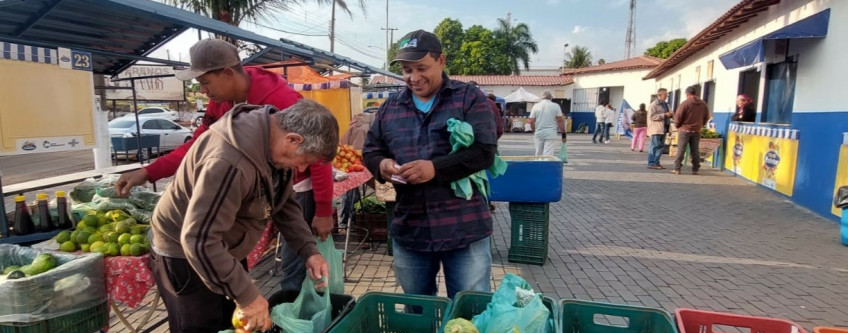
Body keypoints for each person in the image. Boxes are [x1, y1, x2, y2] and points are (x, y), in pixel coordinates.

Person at [149, 100, 339, 333]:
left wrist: (308, 250)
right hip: (186, 256)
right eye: (305, 161)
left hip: (220, 247)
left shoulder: (273, 147)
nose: (302, 168)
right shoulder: (230, 160)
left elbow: (284, 204)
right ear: (293, 139)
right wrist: (248, 296)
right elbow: (199, 240)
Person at [112, 38, 334, 290]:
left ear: (228, 74)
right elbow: (197, 145)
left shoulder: (282, 103)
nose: (203, 91)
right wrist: (150, 171)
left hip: (253, 215)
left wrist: (323, 210)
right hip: (191, 242)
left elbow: (316, 157)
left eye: (205, 82)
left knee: (265, 277)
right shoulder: (224, 125)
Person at [362, 29, 497, 299]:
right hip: (411, 227)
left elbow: (484, 151)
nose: (414, 77)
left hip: (463, 226)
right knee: (417, 309)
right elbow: (371, 150)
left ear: (441, 61)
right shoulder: (390, 108)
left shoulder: (468, 98)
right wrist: (383, 165)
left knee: (470, 309)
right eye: (407, 70)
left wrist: (435, 169)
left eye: (421, 68)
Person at [672, 85, 712, 175]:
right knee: (695, 150)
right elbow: (707, 116)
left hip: (684, 129)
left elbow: (678, 116)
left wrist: (677, 125)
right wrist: (701, 124)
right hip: (696, 130)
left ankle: (677, 168)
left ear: (687, 94)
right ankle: (695, 169)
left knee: (681, 149)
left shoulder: (685, 103)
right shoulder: (703, 104)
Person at [529, 91, 565, 156]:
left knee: (538, 153)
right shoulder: (556, 106)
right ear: (551, 98)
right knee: (548, 155)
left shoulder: (536, 106)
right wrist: (563, 135)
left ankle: (538, 162)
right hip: (551, 133)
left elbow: (531, 121)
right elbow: (560, 121)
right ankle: (547, 162)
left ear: (541, 97)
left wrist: (534, 131)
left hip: (539, 132)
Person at [647, 88, 672, 170]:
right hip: (656, 128)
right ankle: (651, 163)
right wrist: (664, 115)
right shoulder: (654, 105)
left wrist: (671, 114)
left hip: (664, 128)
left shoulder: (666, 104)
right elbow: (652, 116)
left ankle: (656, 162)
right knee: (654, 146)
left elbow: (669, 113)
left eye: (667, 94)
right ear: (660, 95)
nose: (666, 96)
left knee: (661, 147)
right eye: (665, 94)